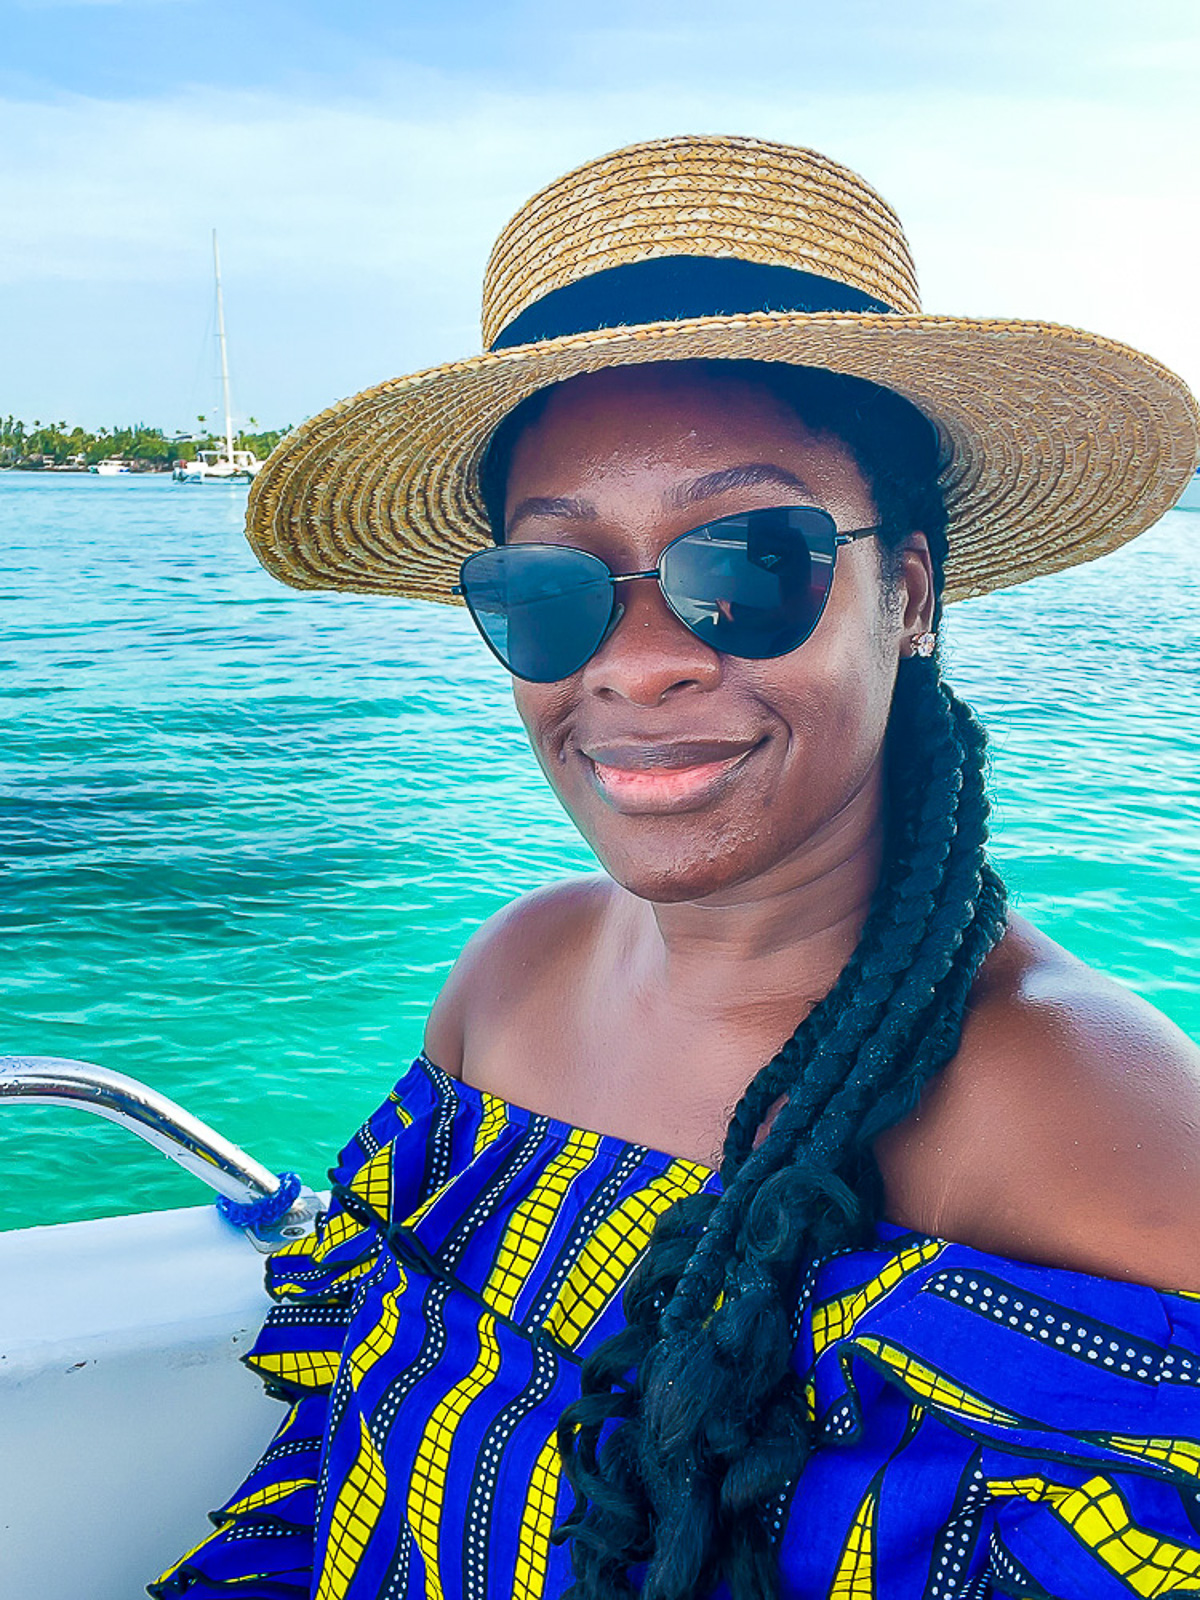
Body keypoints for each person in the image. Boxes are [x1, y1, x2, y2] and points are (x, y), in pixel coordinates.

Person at [152, 135, 1200, 1600]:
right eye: (548, 587)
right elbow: (346, 1473)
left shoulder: (1101, 1129)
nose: (639, 666)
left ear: (906, 593)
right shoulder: (509, 982)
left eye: (749, 562)